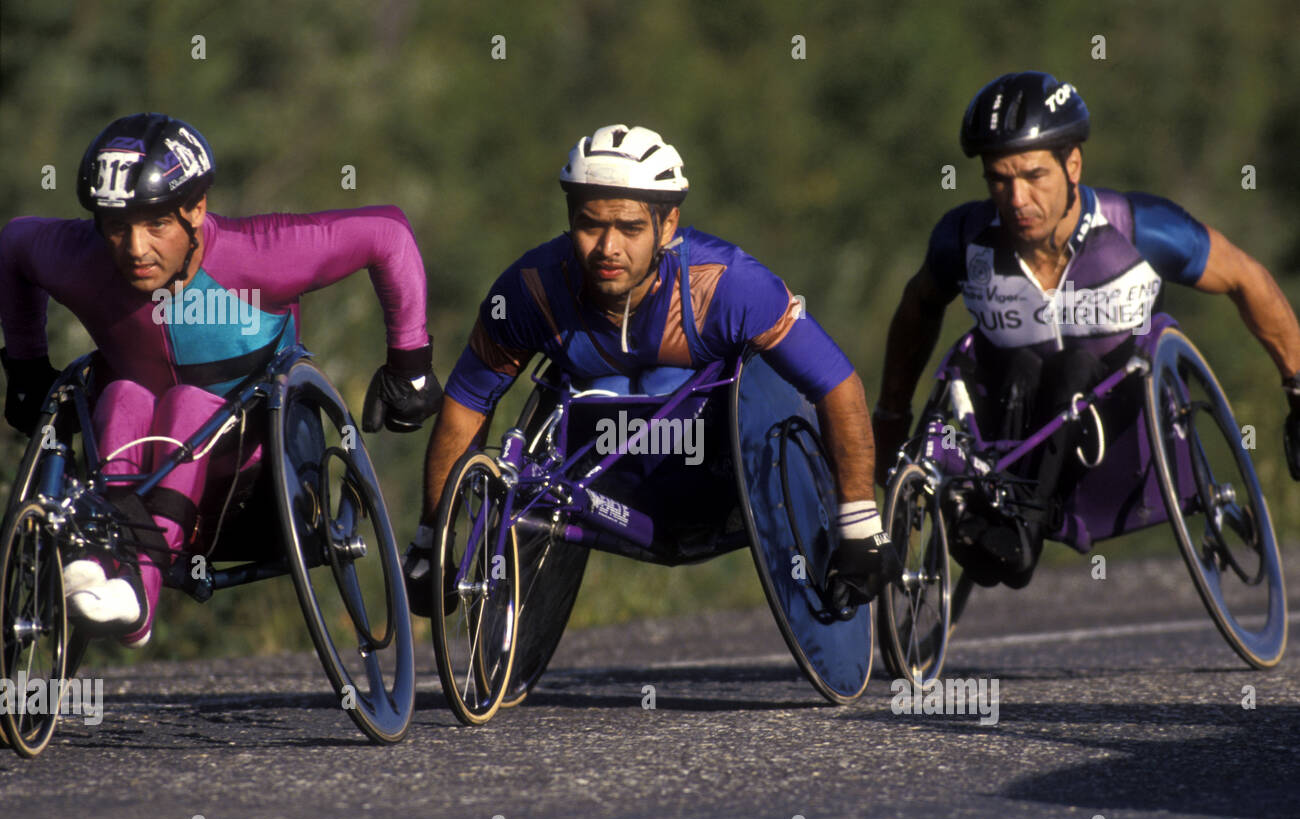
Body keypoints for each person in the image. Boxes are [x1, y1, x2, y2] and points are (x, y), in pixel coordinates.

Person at [405, 124, 900, 615]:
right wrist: (433, 540)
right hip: (603, 463)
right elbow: (466, 404)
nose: (607, 248)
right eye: (590, 224)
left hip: (715, 465)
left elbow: (838, 384)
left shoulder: (728, 287)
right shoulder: (527, 292)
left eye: (630, 227)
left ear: (667, 225)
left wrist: (860, 525)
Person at [0, 112, 442, 646]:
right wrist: (25, 368)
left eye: (156, 224)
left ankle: (134, 593)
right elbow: (15, 245)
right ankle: (103, 566)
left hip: (259, 468)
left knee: (188, 400)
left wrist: (410, 368)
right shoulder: (81, 257)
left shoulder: (259, 254)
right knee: (120, 395)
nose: (135, 249)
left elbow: (388, 234)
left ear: (195, 210)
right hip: (139, 464)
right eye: (117, 226)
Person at [872, 71, 1300, 587]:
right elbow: (917, 309)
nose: (1016, 199)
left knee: (1073, 367)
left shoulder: (1137, 227)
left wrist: (1296, 387)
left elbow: (1246, 278)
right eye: (999, 180)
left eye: (1033, 176)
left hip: (1124, 427)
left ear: (1072, 164)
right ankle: (998, 527)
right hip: (1013, 424)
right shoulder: (964, 240)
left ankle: (1017, 532)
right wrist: (891, 415)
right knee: (1023, 366)